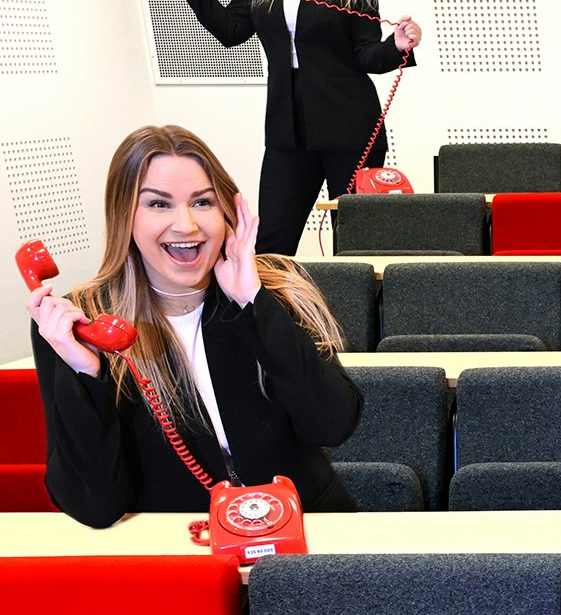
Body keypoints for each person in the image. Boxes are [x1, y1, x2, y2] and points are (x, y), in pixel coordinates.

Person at [24, 125, 362, 527]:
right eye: (158, 205)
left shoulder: (278, 287)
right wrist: (86, 374)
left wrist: (254, 304)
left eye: (202, 202)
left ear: (227, 211)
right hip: (183, 544)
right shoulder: (82, 320)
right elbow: (94, 506)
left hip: (304, 531)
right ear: (123, 215)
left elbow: (333, 424)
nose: (186, 225)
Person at [163, 0, 421, 256]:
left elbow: (365, 53)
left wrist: (397, 45)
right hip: (288, 127)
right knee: (271, 246)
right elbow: (232, 30)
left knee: (359, 248)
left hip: (350, 127)